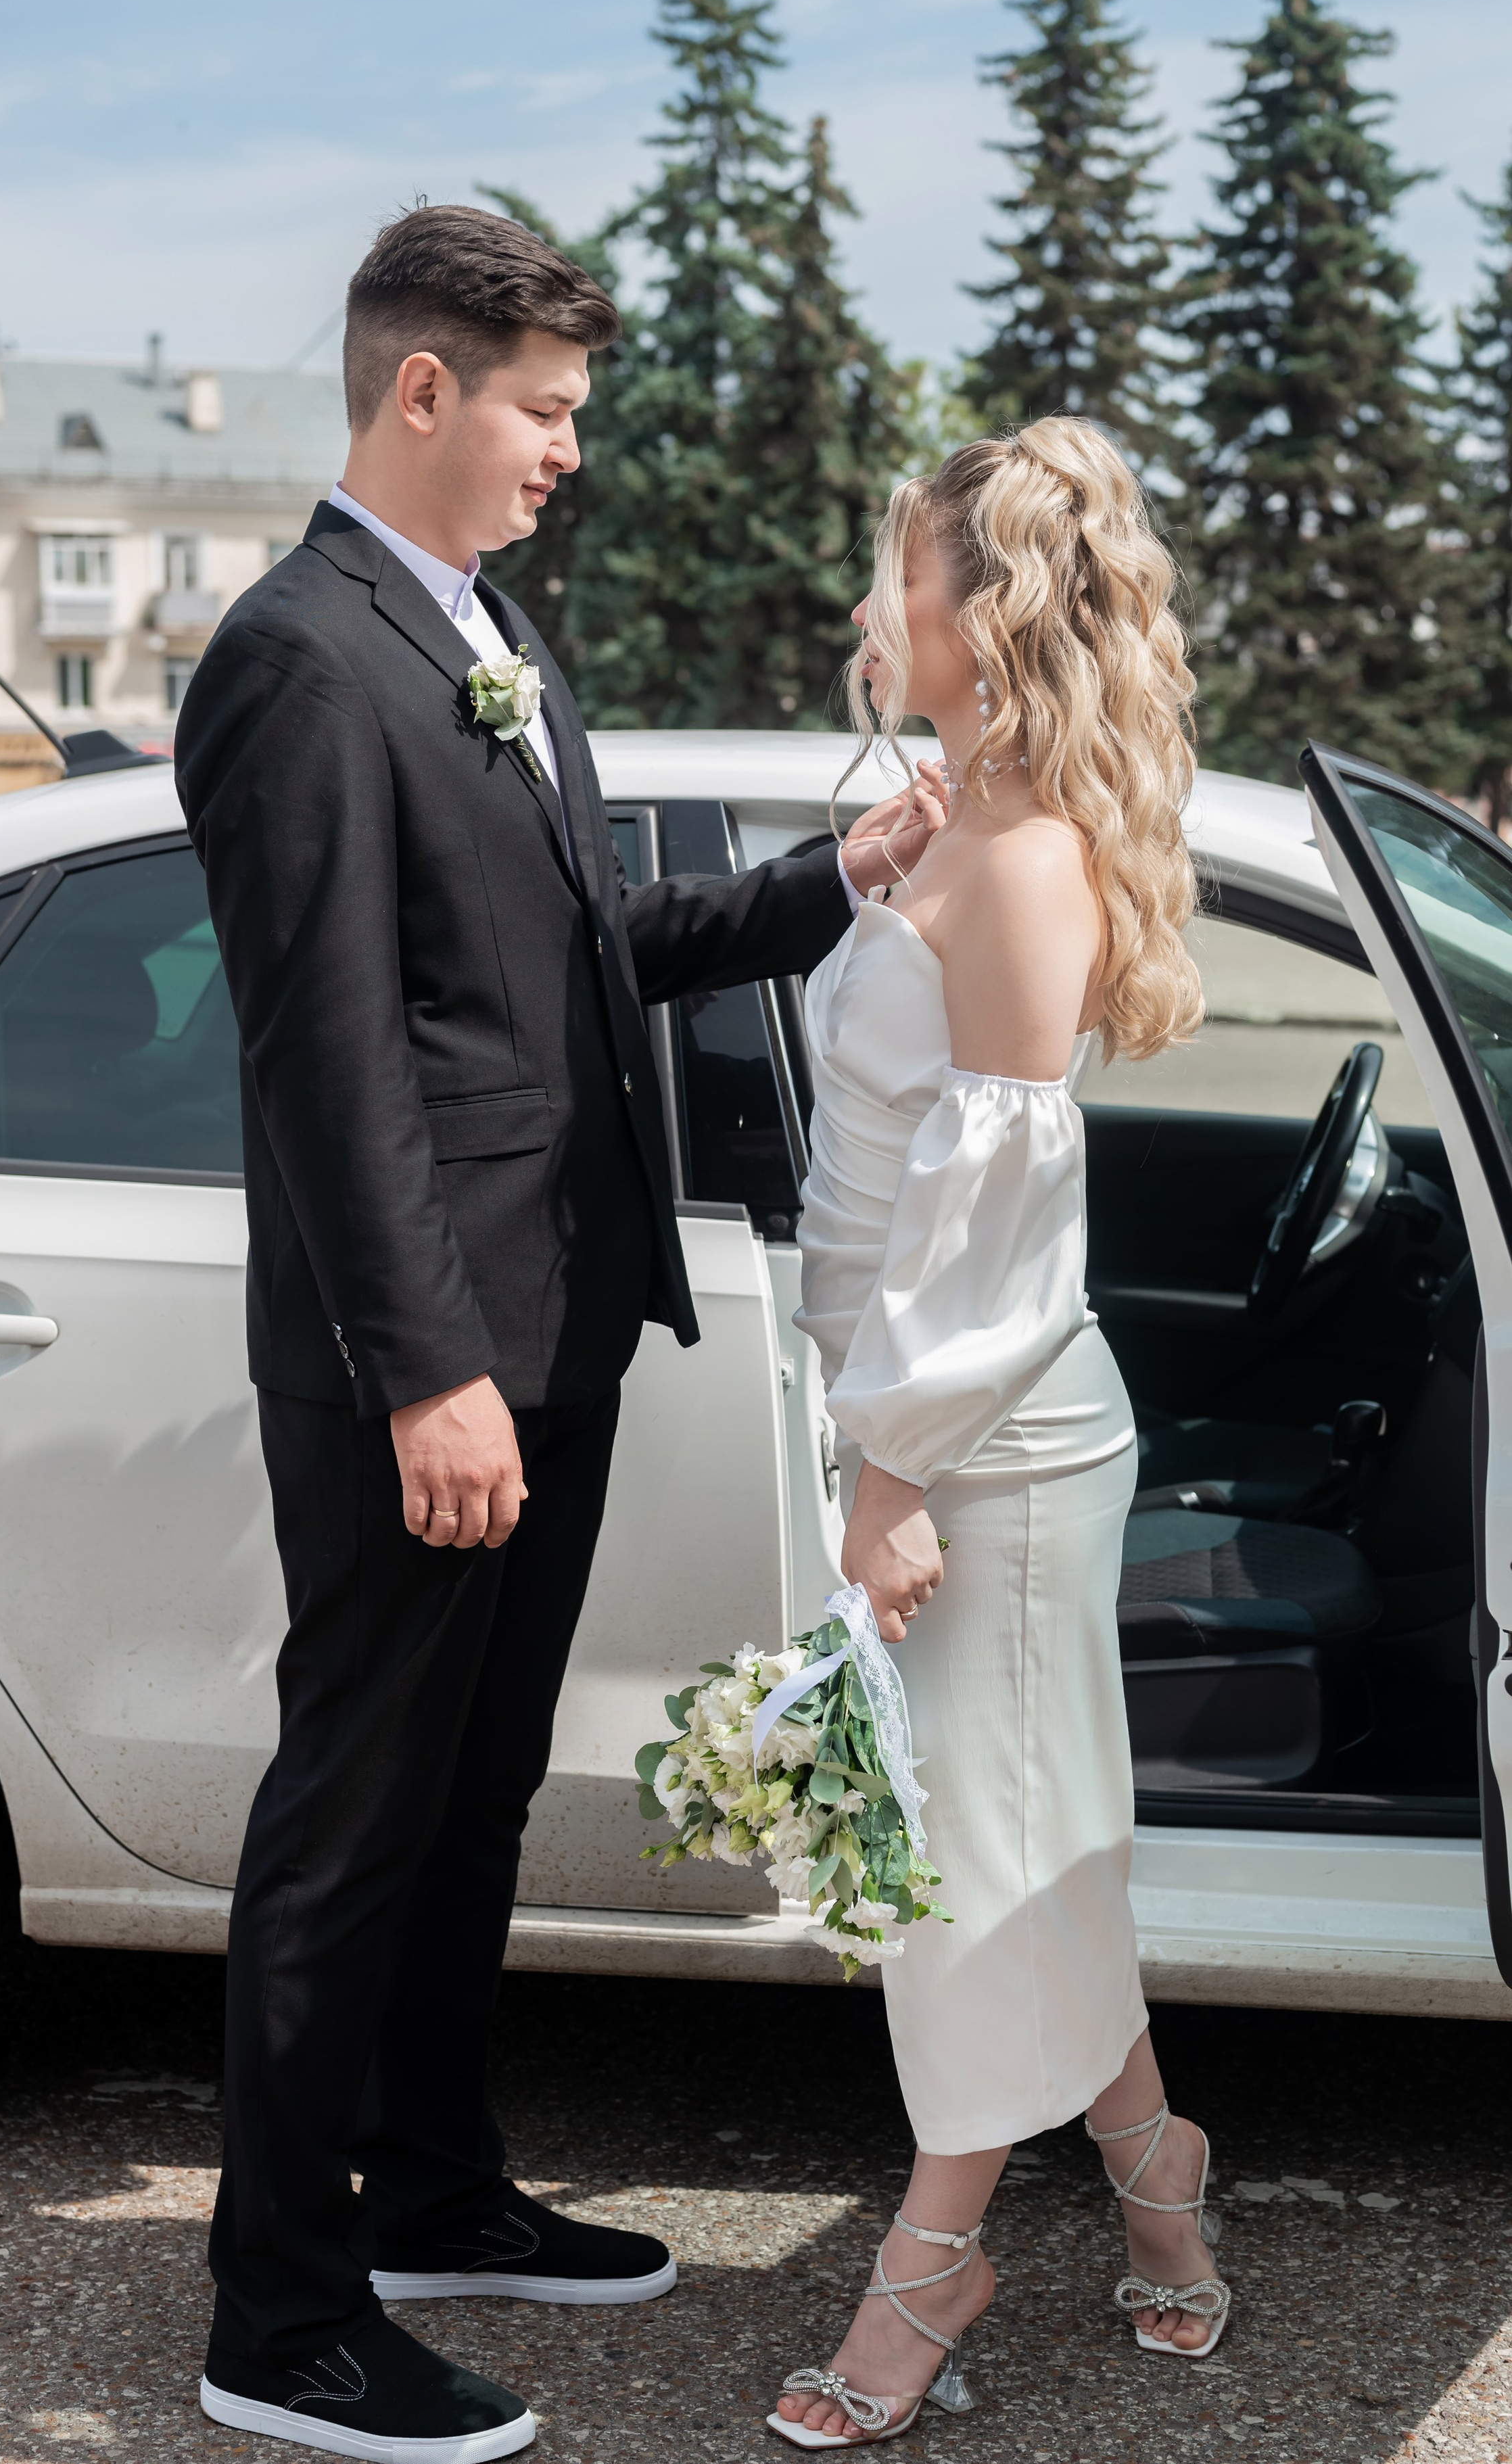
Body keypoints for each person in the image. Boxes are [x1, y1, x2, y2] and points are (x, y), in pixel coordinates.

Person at [173, 202, 931, 2463]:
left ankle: (431, 2192)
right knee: (354, 1813)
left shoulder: (482, 632)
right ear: (425, 388)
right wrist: (428, 1370)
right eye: (545, 409)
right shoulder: (303, 660)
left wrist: (841, 874)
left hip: (556, 1331)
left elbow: (583, 946)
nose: (565, 454)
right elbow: (330, 1058)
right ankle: (282, 2316)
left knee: (471, 1793)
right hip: (435, 1364)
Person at [770, 419, 1227, 2451]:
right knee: (1017, 1845)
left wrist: (890, 1477)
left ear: (990, 608)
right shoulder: (962, 820)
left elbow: (1001, 1230)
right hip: (926, 1427)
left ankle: (934, 2262)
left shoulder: (1027, 860)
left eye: (902, 574)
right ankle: (1161, 2183)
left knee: (958, 1875)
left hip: (990, 1447)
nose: (878, 607)